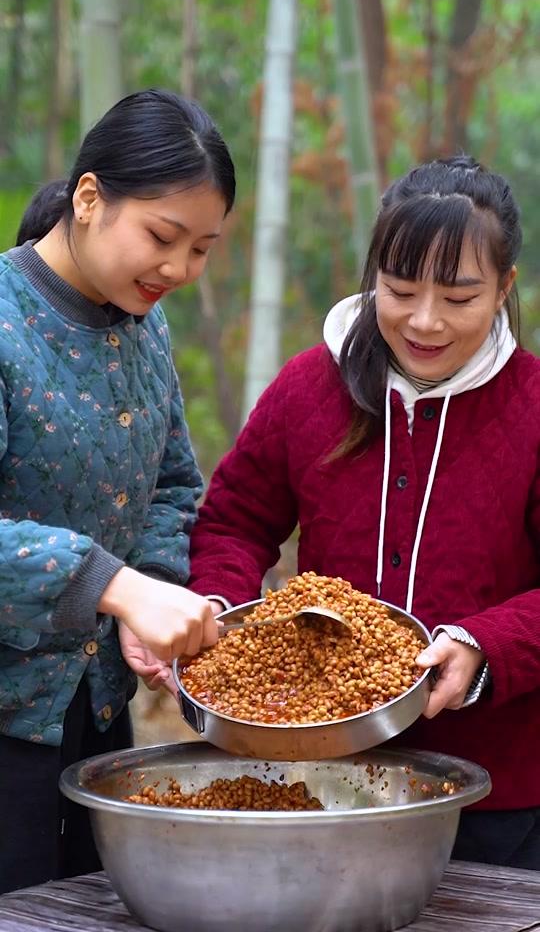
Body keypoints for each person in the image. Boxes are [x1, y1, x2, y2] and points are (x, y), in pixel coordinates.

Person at [188, 155, 540, 870]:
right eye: (400, 290)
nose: (425, 321)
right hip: (321, 780)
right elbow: (235, 520)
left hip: (499, 795)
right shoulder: (309, 387)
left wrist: (483, 648)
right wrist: (216, 609)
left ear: (505, 288)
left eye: (460, 297)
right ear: (373, 274)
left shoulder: (532, 406)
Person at [0, 88, 235, 893]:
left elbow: (173, 484)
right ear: (90, 198)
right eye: (163, 237)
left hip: (96, 715)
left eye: (201, 248)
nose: (178, 269)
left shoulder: (145, 325)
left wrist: (154, 595)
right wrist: (115, 586)